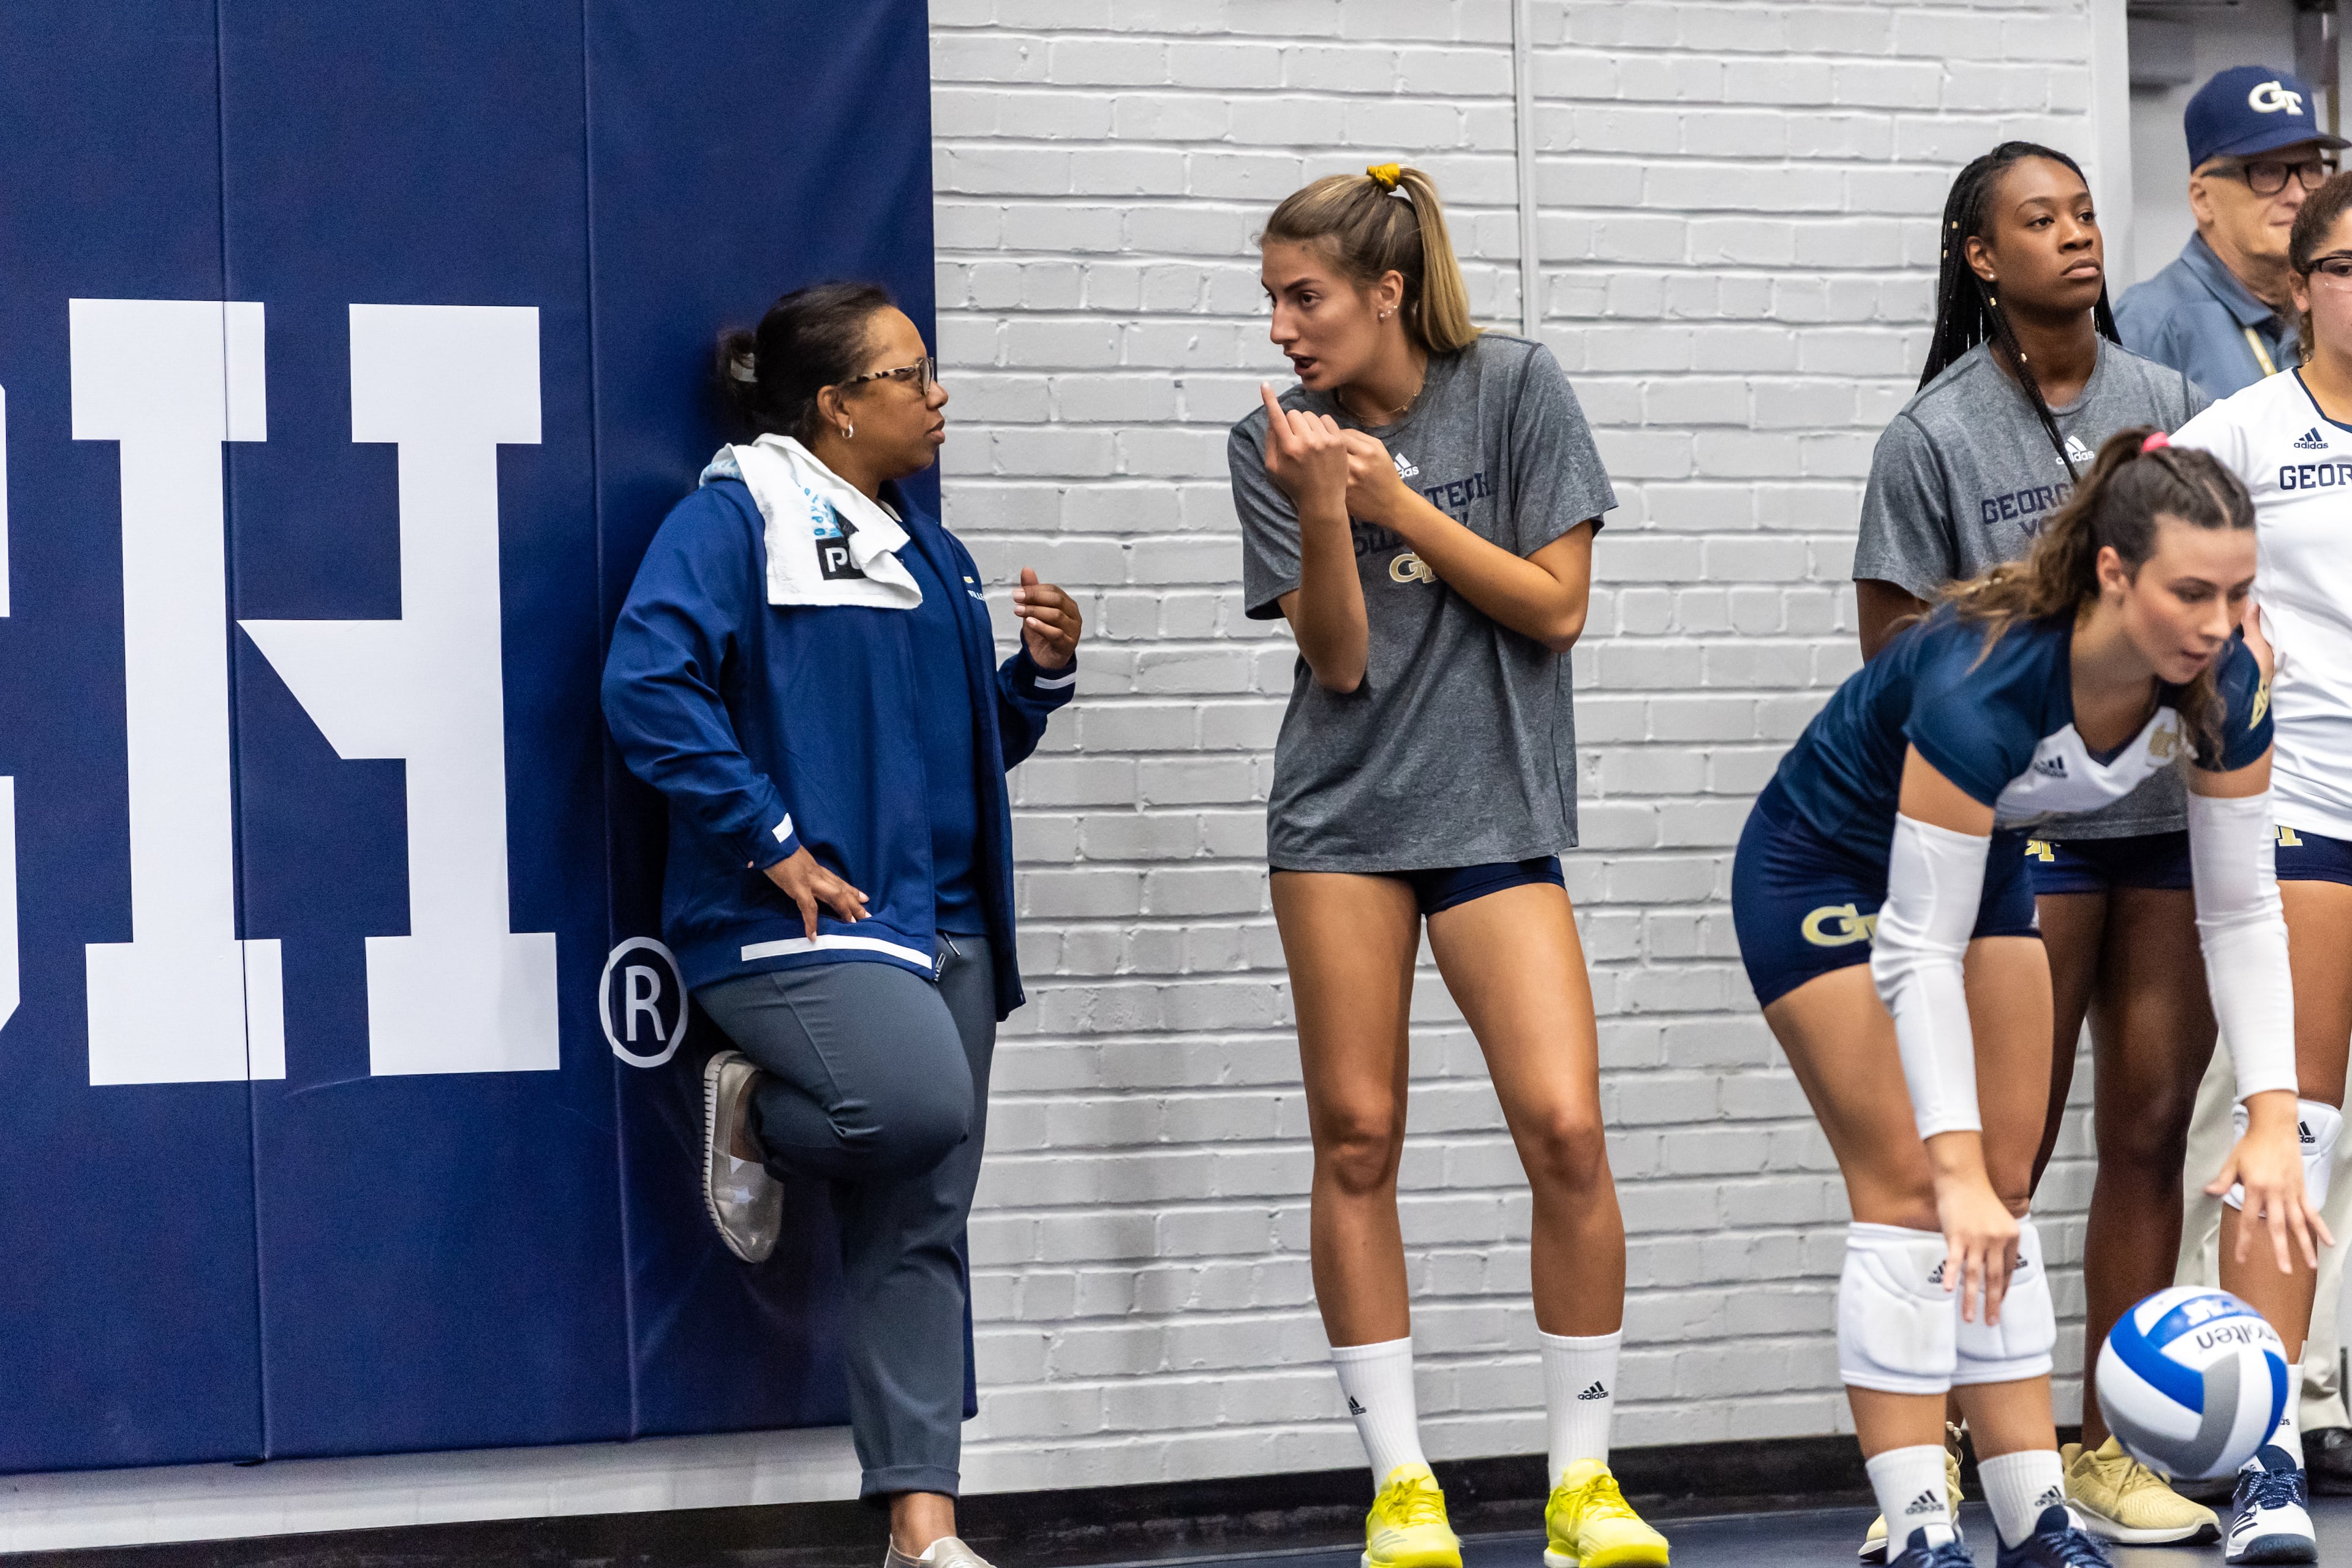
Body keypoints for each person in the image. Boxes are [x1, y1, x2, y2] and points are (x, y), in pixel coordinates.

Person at [1736, 426, 2320, 1568]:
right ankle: (1915, 1528)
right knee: (1918, 1185)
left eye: (2239, 592)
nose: (2219, 623)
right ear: (2113, 572)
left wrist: (2269, 1113)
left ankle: (2031, 1514)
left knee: (2003, 1183)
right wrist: (1948, 1165)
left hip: (1980, 858)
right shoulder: (1986, 676)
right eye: (2190, 593)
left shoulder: (2226, 679)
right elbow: (1913, 947)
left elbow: (2242, 912)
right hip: (1823, 868)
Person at [601, 282, 1082, 1568]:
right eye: (910, 374)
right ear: (837, 404)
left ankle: (923, 1533)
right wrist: (769, 837)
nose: (937, 395)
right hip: (799, 922)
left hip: (947, 919)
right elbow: (645, 685)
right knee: (916, 1111)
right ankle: (751, 1104)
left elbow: (947, 754)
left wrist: (1036, 679)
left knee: (920, 1221)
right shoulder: (732, 517)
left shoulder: (930, 548)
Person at [1228, 162, 1667, 1568]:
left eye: (1306, 297)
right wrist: (1319, 502)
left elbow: (1554, 609)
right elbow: (1339, 659)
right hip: (1342, 826)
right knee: (1355, 1135)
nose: (1284, 327)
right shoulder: (1270, 440)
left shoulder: (1518, 387)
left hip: (1493, 815)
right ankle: (1400, 1480)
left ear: (1387, 290)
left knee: (1566, 1128)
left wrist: (1398, 503)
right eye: (1271, 301)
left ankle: (1581, 1479)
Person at [1850, 141, 2218, 1550]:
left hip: (2160, 827)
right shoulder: (1930, 436)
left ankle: (2106, 1443)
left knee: (2141, 1128)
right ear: (1979, 257)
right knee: (1994, 1155)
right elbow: (1892, 658)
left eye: (2081, 214)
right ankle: (1949, 1449)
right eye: (2038, 220)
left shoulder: (2169, 410)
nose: (2075, 236)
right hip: (2021, 838)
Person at [2171, 169, 2352, 1562]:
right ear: (2296, 284)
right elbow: (2137, 572)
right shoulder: (2238, 428)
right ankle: (2266, 1460)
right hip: (2299, 803)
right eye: (2344, 263)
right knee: (2290, 1127)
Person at [2117, 66, 2344, 400]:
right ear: (2202, 199)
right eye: (2266, 173)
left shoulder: (2332, 300)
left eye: (2311, 170)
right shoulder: (2150, 326)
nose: (2298, 195)